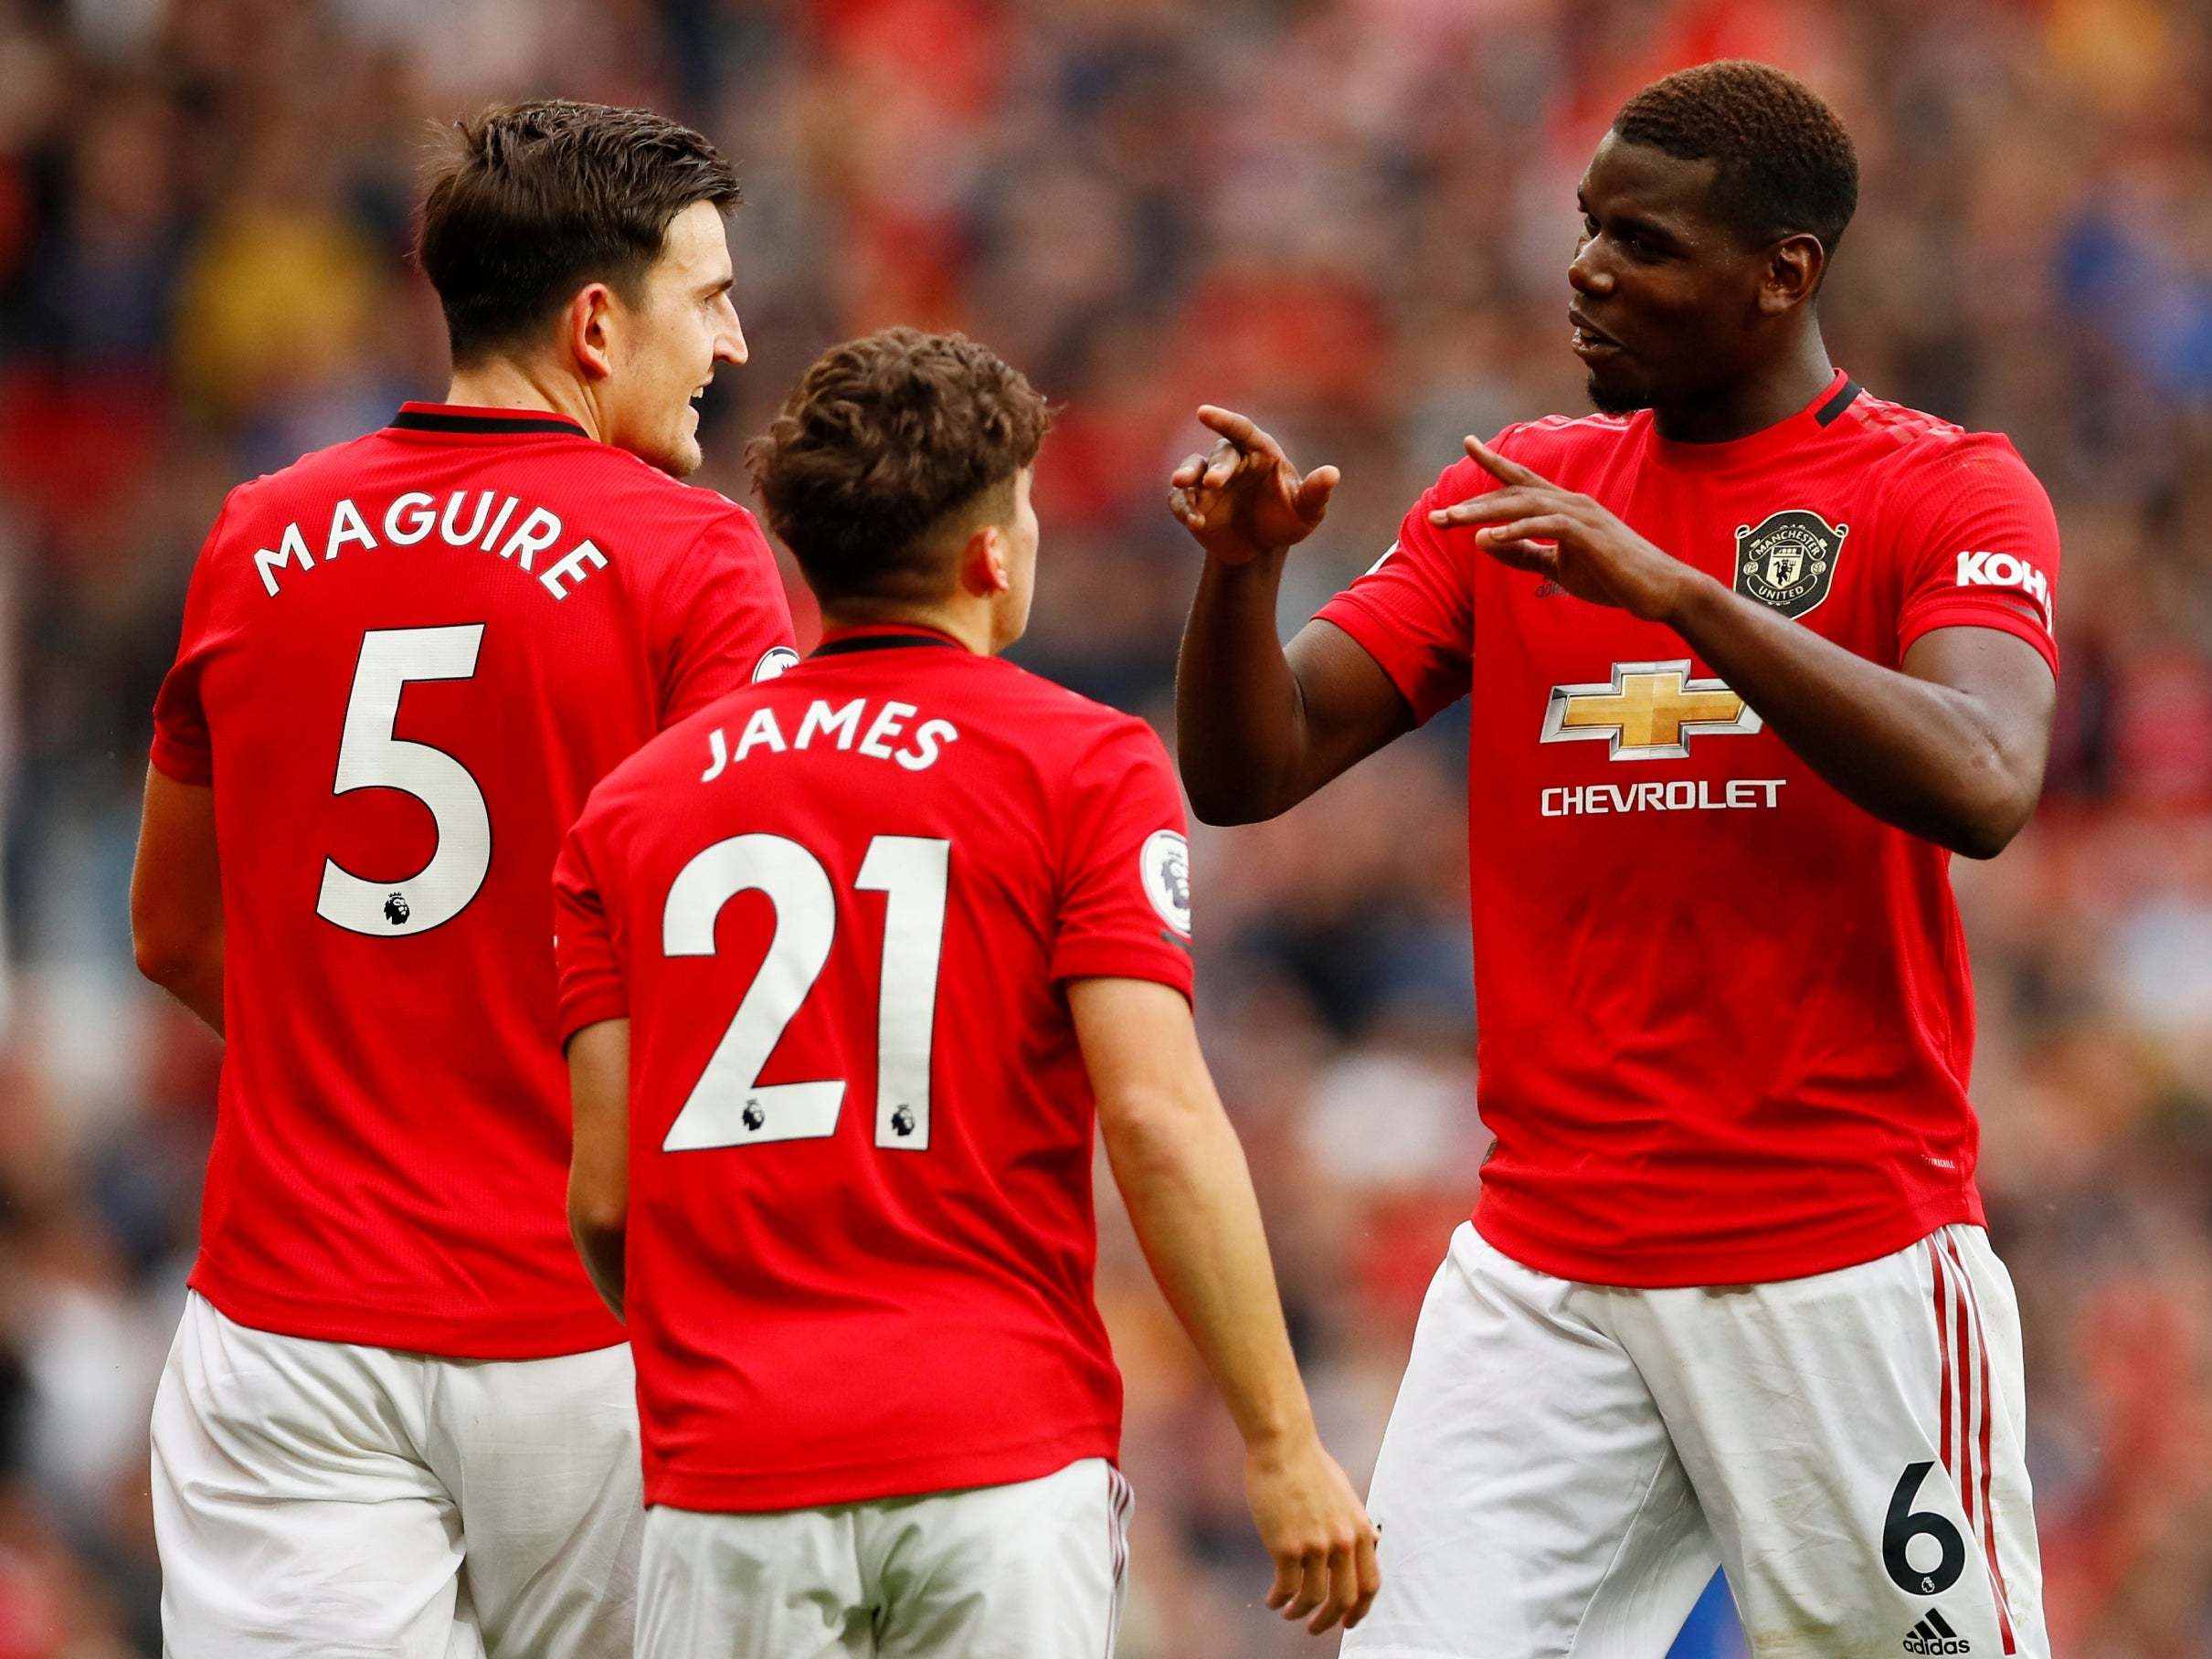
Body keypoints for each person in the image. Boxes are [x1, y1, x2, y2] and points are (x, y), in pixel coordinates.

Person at [1170, 59, 2058, 1658]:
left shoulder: (1937, 484)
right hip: (1546, 1266)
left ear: (1781, 276)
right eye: (1585, 230)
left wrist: (1682, 598)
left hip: (1835, 1255)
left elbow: (1986, 779)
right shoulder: (1515, 495)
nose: (1585, 269)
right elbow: (1249, 772)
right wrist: (1240, 583)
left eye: (1640, 246)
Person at [554, 326, 1379, 1657]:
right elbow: (1158, 1120)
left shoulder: (633, 806)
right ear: (993, 553)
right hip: (994, 1455)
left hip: (732, 1475)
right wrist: (1282, 1442)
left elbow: (604, 1196)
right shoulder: (1081, 762)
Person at [129, 99, 795, 1658]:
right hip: (594, 1332)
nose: (736, 341)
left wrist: (373, 1056)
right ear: (591, 323)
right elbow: (742, 945)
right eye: (706, 300)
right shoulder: (690, 558)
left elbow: (168, 933)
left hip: (295, 1326)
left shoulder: (254, 534)